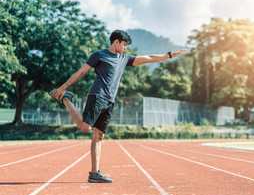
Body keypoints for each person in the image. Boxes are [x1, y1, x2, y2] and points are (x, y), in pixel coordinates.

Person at [49, 30, 185, 183]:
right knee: (86, 127)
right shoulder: (99, 55)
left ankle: (94, 173)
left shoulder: (124, 59)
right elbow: (81, 72)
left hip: (110, 101)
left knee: (99, 136)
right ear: (116, 42)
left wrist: (169, 55)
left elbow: (148, 58)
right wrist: (63, 87)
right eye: (124, 45)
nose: (126, 48)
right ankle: (67, 99)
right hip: (98, 95)